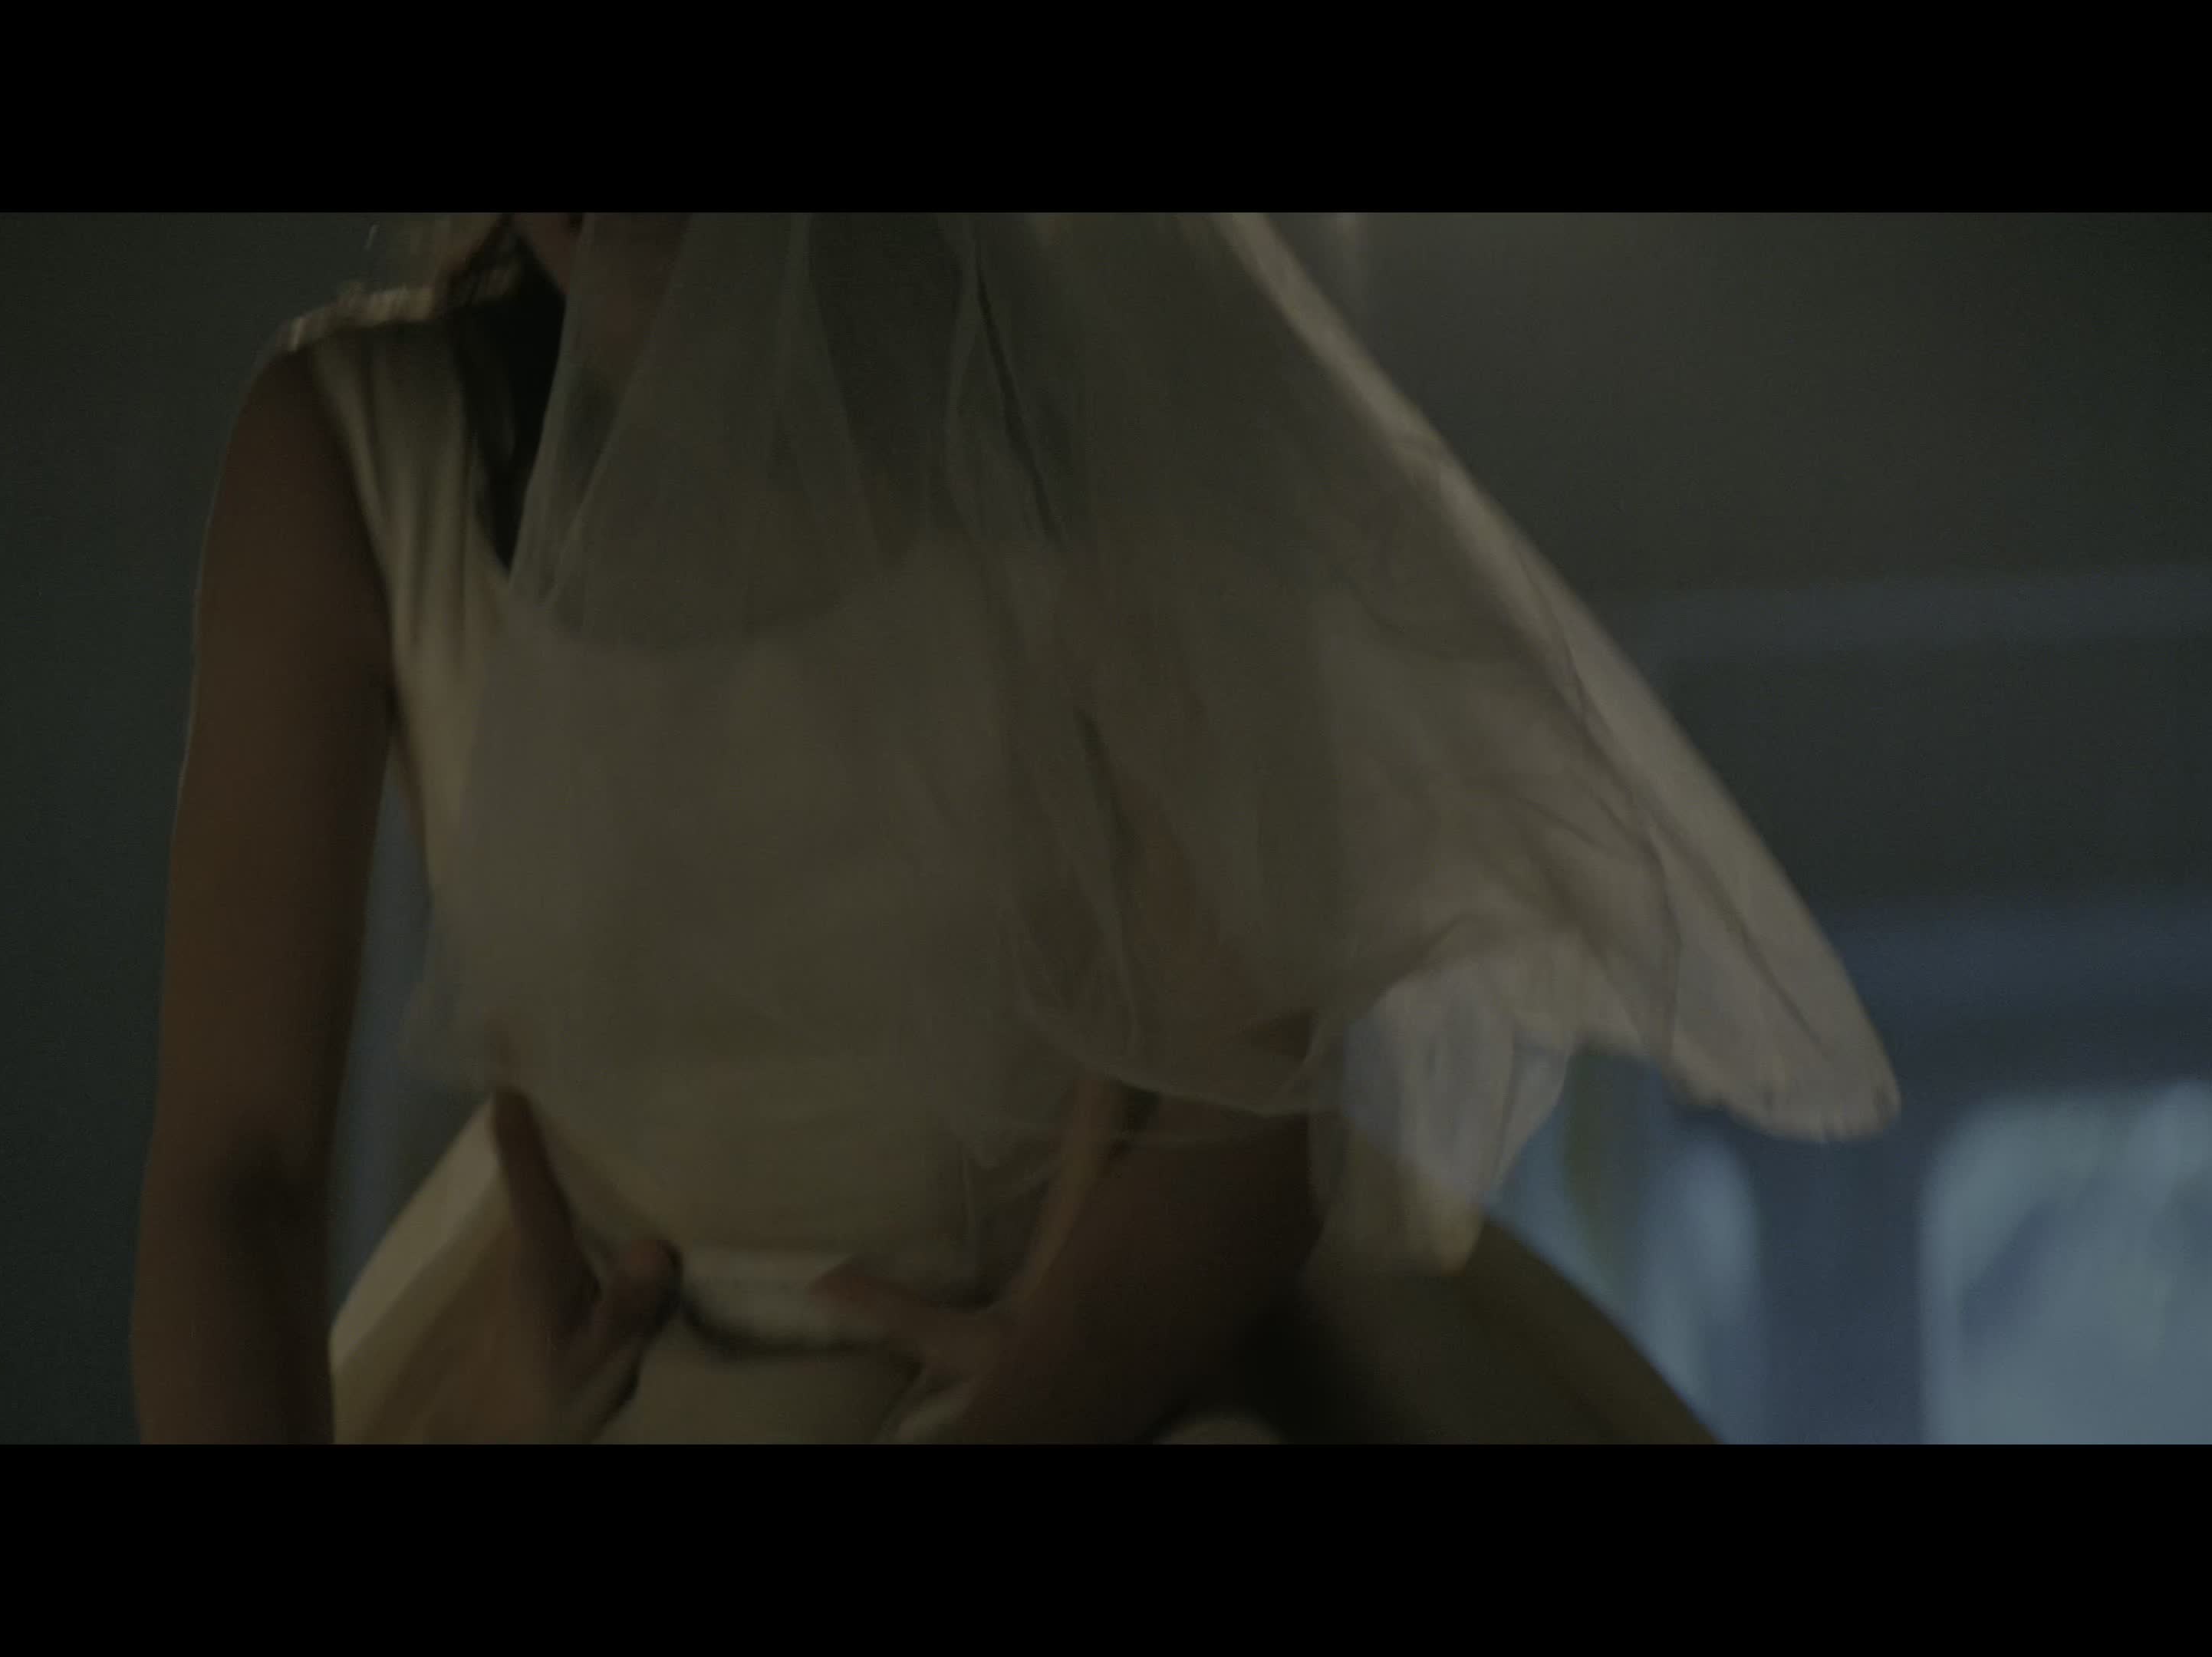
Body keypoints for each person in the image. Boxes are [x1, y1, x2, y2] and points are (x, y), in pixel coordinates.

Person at [131, 213, 1899, 1444]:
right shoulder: (354, 454)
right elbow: (237, 1167)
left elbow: (1242, 1115)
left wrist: (1024, 1418)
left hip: (1084, 1358)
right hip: (610, 1365)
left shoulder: (1095, 415)